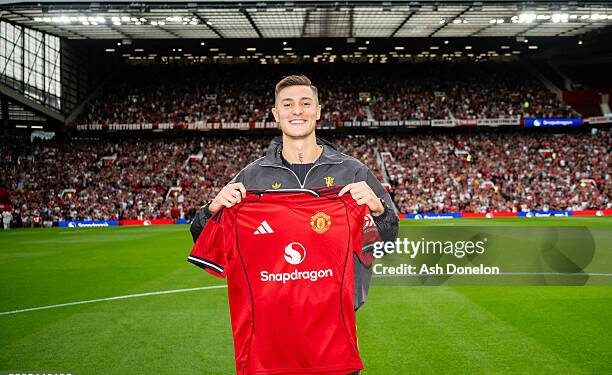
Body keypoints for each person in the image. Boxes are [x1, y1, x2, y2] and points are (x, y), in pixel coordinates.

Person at [189, 75, 399, 374]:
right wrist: (212, 209)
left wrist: (378, 211)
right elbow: (204, 239)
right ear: (276, 114)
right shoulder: (251, 178)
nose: (297, 110)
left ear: (318, 111)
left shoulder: (353, 172)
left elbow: (387, 241)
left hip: (333, 334)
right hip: (268, 341)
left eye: (305, 103)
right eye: (287, 104)